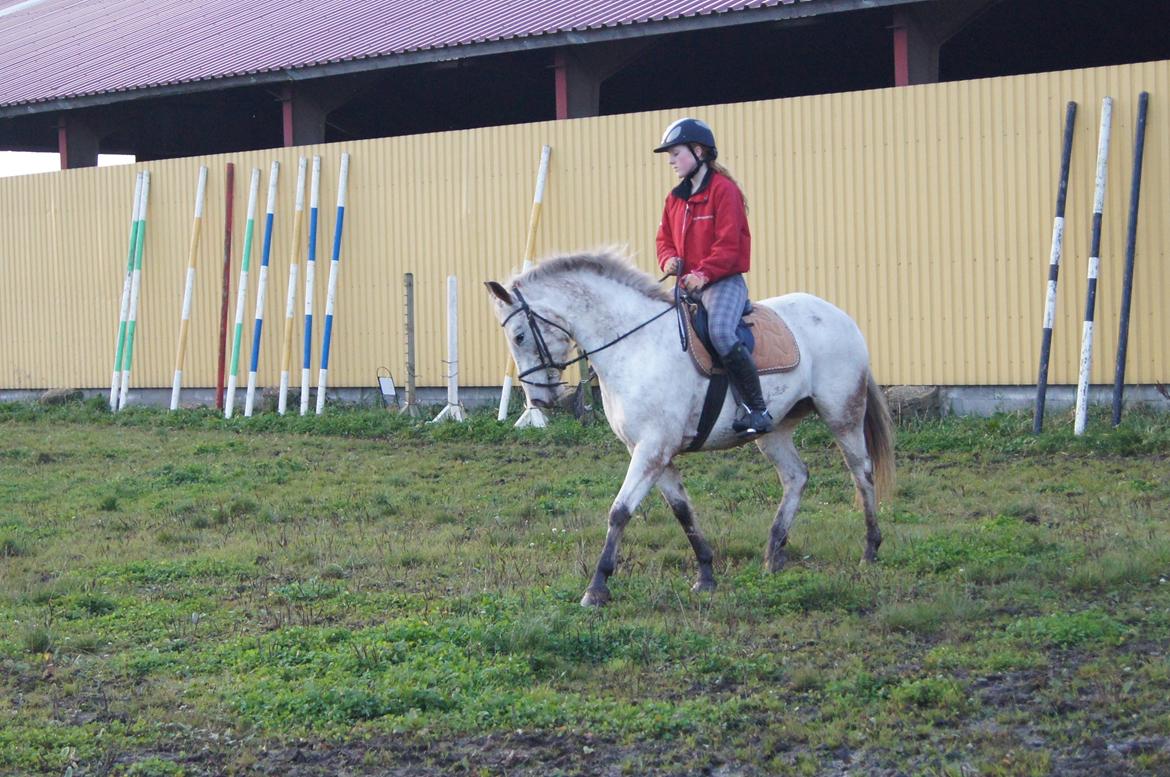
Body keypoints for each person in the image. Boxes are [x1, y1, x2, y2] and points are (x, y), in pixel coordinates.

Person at [654, 117, 773, 435]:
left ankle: (756, 409)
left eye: (676, 153)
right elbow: (663, 239)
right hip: (687, 285)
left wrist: (703, 274)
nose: (671, 160)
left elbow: (729, 245)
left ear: (698, 151)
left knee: (720, 332)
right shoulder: (674, 198)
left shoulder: (725, 191)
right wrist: (668, 261)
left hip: (723, 282)